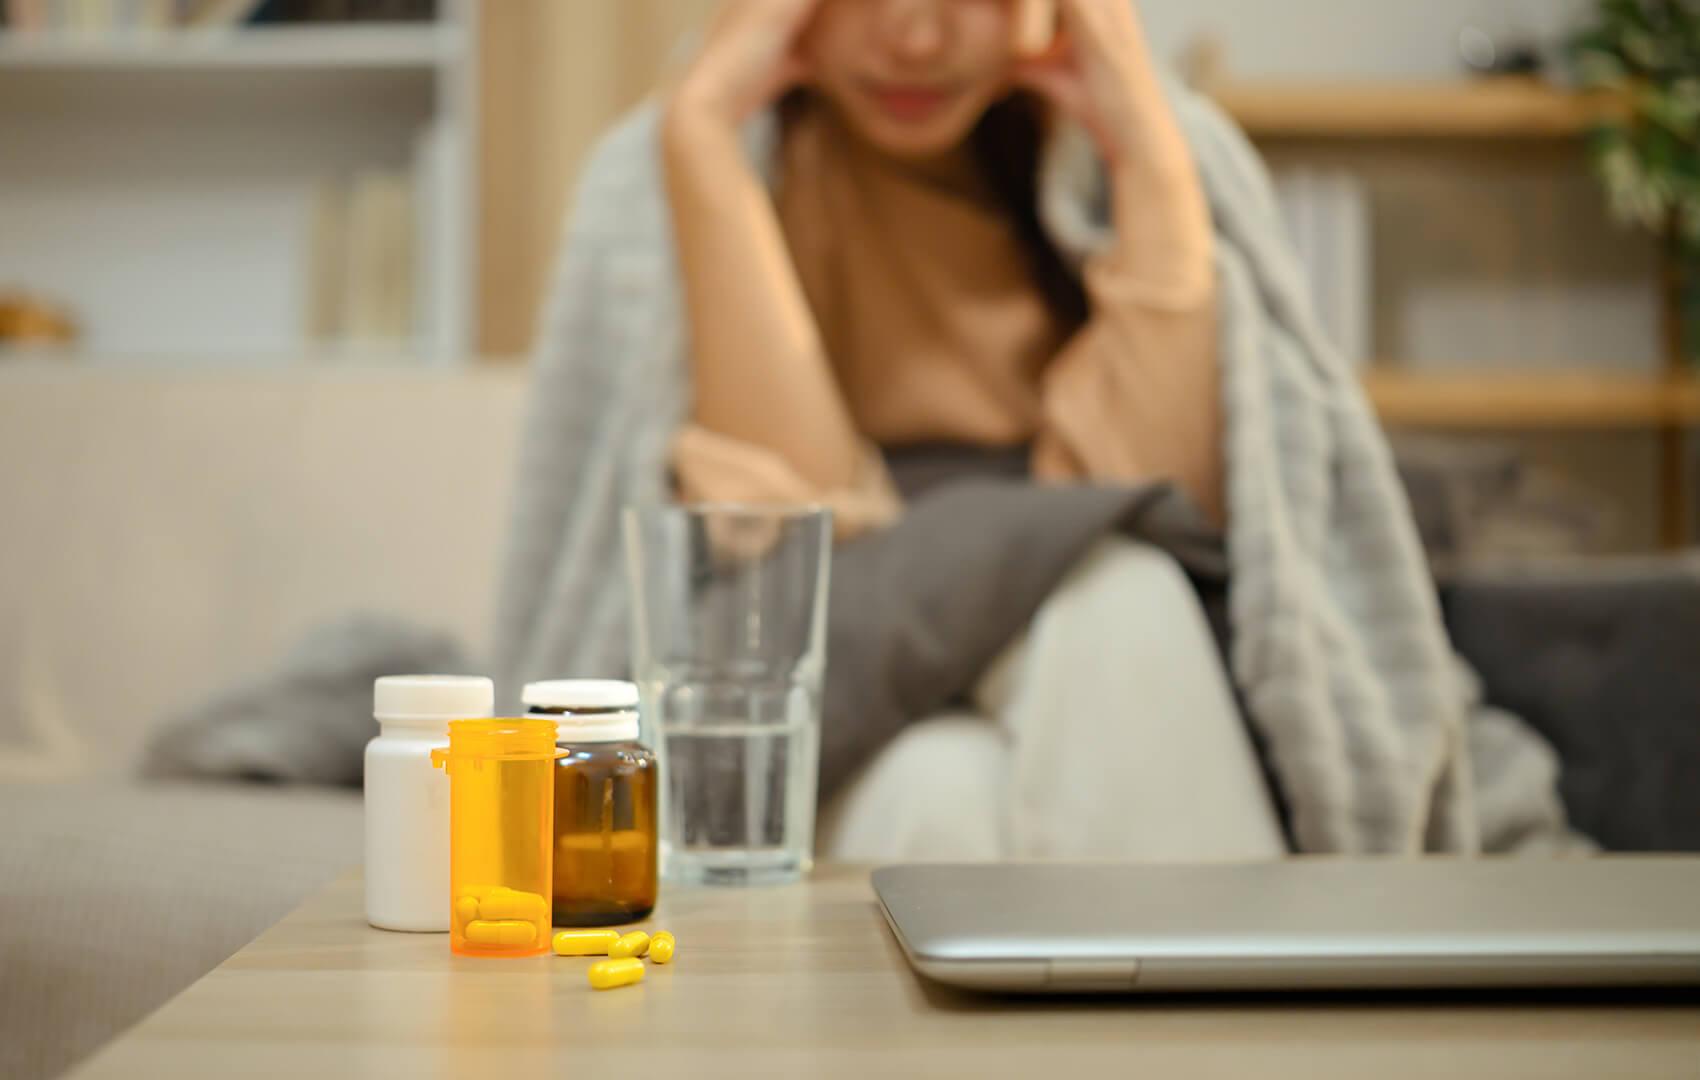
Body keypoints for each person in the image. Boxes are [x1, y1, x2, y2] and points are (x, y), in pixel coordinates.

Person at [659, 0, 1286, 861]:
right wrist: (699, 142)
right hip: (826, 674)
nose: (915, 38)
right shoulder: (705, 159)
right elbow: (791, 541)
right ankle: (1247, 987)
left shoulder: (1135, 145)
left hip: (1062, 661)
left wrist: (1145, 148)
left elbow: (1153, 500)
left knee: (946, 787)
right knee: (1104, 586)